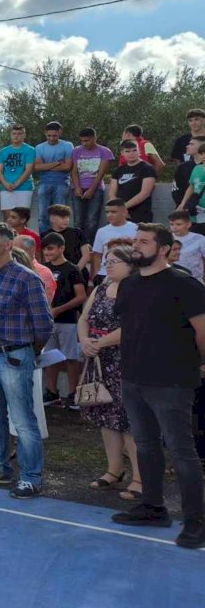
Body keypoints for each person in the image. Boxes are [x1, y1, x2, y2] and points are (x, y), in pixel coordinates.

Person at [112, 224, 205, 549]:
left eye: (144, 241)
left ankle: (196, 523)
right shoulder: (130, 285)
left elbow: (202, 331)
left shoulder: (184, 283)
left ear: (164, 248)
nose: (136, 246)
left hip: (172, 381)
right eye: (135, 240)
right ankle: (153, 508)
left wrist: (196, 364)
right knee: (146, 445)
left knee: (181, 451)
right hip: (134, 377)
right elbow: (128, 326)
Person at [0, 222, 53, 499]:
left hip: (14, 356)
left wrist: (28, 352)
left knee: (23, 421)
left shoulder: (26, 278)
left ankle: (31, 477)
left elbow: (44, 324)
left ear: (8, 244)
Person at [76, 242, 142, 498]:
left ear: (131, 265)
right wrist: (85, 341)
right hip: (99, 359)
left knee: (129, 422)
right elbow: (84, 317)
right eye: (108, 260)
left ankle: (140, 477)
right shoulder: (103, 287)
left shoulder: (136, 290)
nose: (109, 265)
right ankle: (114, 470)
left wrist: (99, 343)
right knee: (105, 417)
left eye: (115, 261)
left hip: (125, 359)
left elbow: (133, 325)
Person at [40, 232, 87, 408]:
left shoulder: (72, 269)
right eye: (45, 249)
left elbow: (81, 296)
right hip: (48, 321)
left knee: (71, 357)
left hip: (68, 320)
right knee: (49, 357)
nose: (48, 252)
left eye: (51, 248)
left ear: (62, 248)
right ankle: (52, 391)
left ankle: (73, 393)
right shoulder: (44, 269)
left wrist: (58, 309)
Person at [70, 127, 114, 245]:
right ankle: (77, 245)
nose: (85, 143)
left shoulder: (104, 151)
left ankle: (89, 245)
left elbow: (101, 173)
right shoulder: (76, 151)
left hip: (96, 188)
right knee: (78, 220)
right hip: (78, 188)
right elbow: (74, 171)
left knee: (92, 220)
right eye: (82, 141)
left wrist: (92, 189)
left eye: (87, 140)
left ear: (95, 138)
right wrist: (77, 187)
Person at [34, 121, 74, 233]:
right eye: (49, 136)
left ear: (60, 132)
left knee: (60, 215)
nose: (51, 138)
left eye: (54, 135)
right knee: (43, 215)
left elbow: (67, 167)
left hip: (62, 183)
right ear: (45, 133)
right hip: (44, 183)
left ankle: (60, 239)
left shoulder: (67, 145)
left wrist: (45, 166)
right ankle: (44, 241)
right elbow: (37, 167)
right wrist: (57, 163)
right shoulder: (39, 147)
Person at [109, 140, 157, 224]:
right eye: (127, 151)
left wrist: (124, 207)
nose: (131, 153)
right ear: (122, 153)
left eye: (134, 150)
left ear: (139, 151)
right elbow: (112, 193)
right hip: (120, 214)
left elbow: (144, 193)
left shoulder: (148, 168)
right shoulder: (118, 170)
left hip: (140, 213)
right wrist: (118, 208)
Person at [91, 199, 139, 281]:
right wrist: (95, 273)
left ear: (124, 212)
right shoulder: (101, 231)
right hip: (104, 274)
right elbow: (97, 255)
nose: (109, 215)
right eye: (107, 212)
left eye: (113, 212)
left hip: (128, 274)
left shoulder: (136, 228)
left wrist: (131, 243)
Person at [0, 125, 36, 217]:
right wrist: (5, 183)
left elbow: (28, 169)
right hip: (6, 188)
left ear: (24, 135)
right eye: (14, 134)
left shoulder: (30, 150)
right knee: (8, 217)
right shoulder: (3, 151)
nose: (16, 136)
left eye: (19, 134)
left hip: (24, 188)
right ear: (10, 134)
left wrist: (17, 184)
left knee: (22, 217)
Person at [169, 210, 205, 281]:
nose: (174, 227)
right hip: (173, 278)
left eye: (178, 224)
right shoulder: (166, 238)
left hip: (195, 279)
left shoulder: (200, 239)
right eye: (172, 224)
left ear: (188, 224)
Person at [177, 140, 205, 228]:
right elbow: (191, 186)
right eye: (201, 154)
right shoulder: (197, 168)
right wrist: (183, 203)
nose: (203, 156)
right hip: (196, 210)